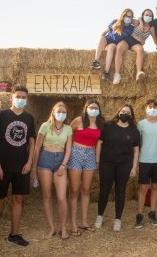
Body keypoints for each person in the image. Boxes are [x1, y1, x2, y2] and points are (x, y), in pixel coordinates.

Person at [0, 85, 35, 255]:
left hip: (22, 167)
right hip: (3, 167)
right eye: (18, 96)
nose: (21, 99)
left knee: (18, 199)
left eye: (24, 97)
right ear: (11, 98)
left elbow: (32, 142)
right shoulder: (0, 116)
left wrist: (29, 163)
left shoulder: (29, 118)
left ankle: (14, 235)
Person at [95, 104, 140, 231]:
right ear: (118, 112)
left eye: (127, 111)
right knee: (104, 190)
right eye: (122, 110)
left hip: (124, 165)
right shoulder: (108, 126)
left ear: (131, 115)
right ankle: (100, 216)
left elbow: (136, 150)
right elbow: (99, 143)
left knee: (120, 191)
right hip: (107, 163)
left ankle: (117, 219)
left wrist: (134, 167)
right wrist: (98, 161)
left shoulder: (134, 130)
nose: (124, 113)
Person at [32, 102, 72, 240]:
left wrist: (63, 165)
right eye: (59, 111)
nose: (61, 114)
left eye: (64, 112)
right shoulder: (45, 126)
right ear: (53, 112)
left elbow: (68, 149)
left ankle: (64, 227)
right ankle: (52, 228)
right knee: (47, 196)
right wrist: (33, 169)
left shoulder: (68, 129)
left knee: (62, 198)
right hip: (45, 160)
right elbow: (37, 148)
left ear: (66, 114)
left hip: (60, 160)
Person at [67, 99, 105, 237]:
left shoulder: (101, 124)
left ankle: (84, 222)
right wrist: (67, 154)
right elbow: (68, 135)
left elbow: (101, 142)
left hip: (90, 155)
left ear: (99, 110)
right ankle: (73, 225)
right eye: (91, 107)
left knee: (86, 189)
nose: (93, 109)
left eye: (96, 107)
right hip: (76, 153)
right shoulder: (78, 120)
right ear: (86, 108)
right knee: (74, 190)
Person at [135, 99, 157, 228]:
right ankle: (139, 215)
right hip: (144, 160)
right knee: (143, 188)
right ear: (146, 109)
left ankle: (152, 212)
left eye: (155, 107)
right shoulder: (141, 124)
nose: (152, 109)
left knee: (155, 187)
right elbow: (140, 142)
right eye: (150, 107)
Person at [91, 8, 135, 84]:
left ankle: (106, 72)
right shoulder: (115, 21)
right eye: (126, 16)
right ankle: (96, 62)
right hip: (108, 38)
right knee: (102, 37)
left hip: (114, 43)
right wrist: (100, 42)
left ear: (132, 18)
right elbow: (106, 31)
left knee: (111, 48)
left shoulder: (131, 28)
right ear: (123, 15)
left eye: (130, 17)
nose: (128, 18)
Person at [114, 9, 156, 82]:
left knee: (140, 50)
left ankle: (138, 72)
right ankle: (117, 74)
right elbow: (125, 19)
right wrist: (140, 21)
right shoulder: (137, 21)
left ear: (152, 17)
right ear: (143, 15)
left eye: (150, 16)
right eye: (146, 15)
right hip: (129, 39)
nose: (148, 17)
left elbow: (155, 41)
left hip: (136, 44)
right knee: (119, 47)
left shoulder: (151, 28)